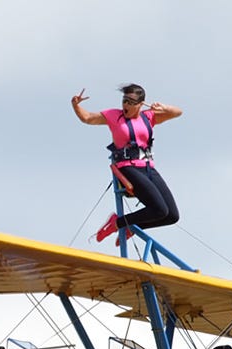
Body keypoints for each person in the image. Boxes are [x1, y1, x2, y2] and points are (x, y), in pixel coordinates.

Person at [71, 84, 182, 242]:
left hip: (148, 168)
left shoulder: (149, 117)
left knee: (171, 215)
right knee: (159, 209)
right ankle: (117, 223)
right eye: (124, 100)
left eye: (131, 102)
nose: (126, 105)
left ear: (140, 104)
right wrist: (76, 105)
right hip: (126, 167)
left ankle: (131, 227)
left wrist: (164, 107)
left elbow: (178, 112)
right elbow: (88, 118)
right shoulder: (114, 116)